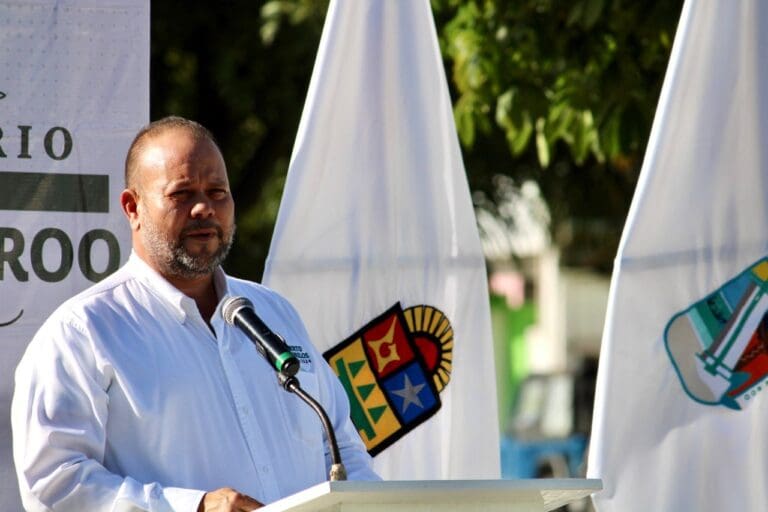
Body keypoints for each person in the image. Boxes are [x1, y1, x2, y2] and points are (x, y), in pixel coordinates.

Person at [11, 116, 379, 512]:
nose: (204, 207)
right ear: (132, 207)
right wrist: (194, 507)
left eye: (217, 192)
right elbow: (54, 484)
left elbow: (340, 447)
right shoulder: (83, 332)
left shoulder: (274, 312)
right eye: (182, 194)